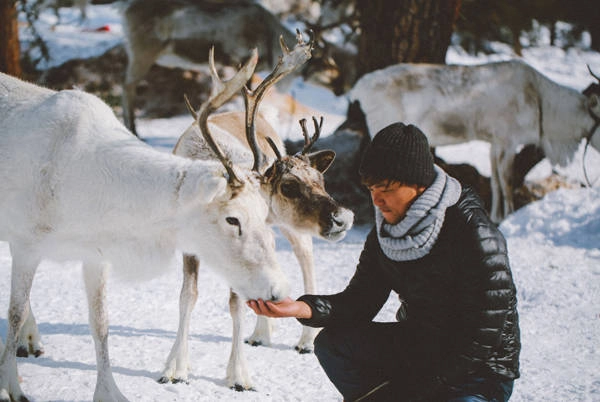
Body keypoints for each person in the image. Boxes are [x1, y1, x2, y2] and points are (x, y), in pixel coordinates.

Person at [247, 122, 520, 402]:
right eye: (371, 189)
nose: (377, 200)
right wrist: (302, 308)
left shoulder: (475, 233)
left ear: (418, 184)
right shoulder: (387, 232)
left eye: (387, 189)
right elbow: (360, 302)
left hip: (480, 371)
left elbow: (484, 335)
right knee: (333, 345)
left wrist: (425, 386)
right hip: (423, 347)